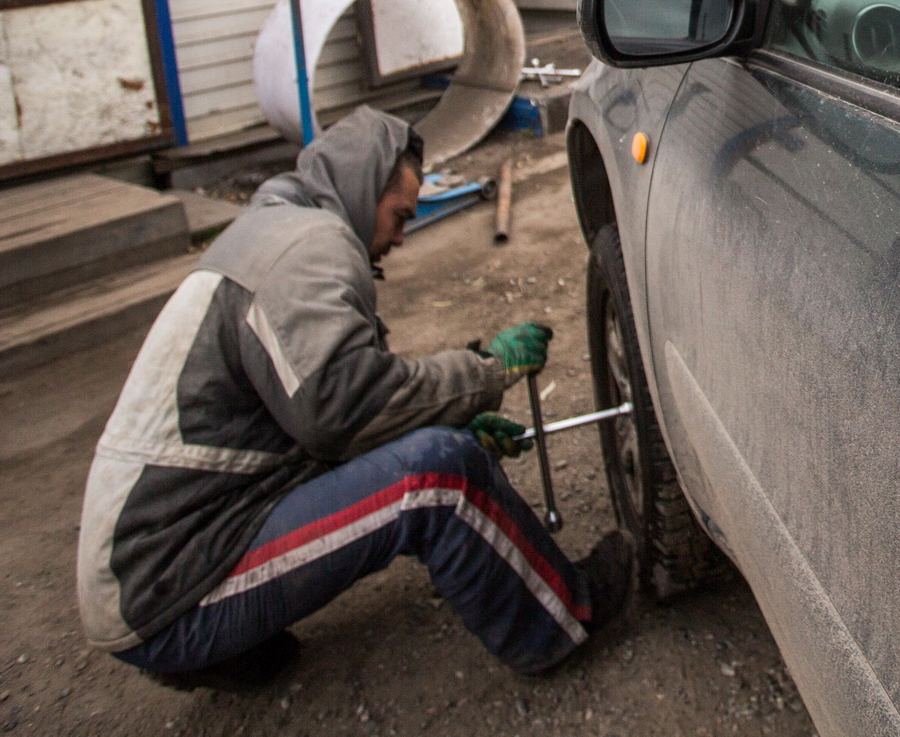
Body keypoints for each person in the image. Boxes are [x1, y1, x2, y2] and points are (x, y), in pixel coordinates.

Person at [76, 107, 632, 689]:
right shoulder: (309, 248)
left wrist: (448, 417)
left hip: (155, 571)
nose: (398, 236)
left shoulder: (271, 229)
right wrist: (486, 372)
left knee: (432, 450)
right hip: (164, 590)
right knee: (440, 476)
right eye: (398, 216)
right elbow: (347, 411)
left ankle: (223, 650)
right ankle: (560, 621)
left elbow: (310, 419)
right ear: (362, 188)